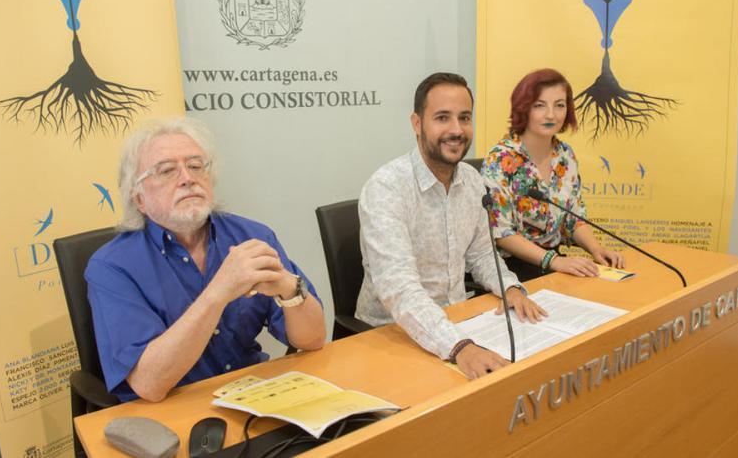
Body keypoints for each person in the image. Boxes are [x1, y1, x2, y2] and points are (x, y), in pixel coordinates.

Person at [85, 118, 325, 402]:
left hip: (255, 396)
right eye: (166, 171)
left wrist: (289, 289)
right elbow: (149, 384)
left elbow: (312, 339)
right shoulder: (112, 267)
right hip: (172, 411)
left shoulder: (251, 236)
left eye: (196, 166)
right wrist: (219, 290)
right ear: (139, 199)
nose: (188, 178)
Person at [355, 72, 548, 380]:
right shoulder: (386, 189)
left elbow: (483, 255)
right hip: (392, 336)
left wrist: (510, 288)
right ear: (417, 124)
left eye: (465, 117)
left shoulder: (472, 181)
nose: (456, 130)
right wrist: (459, 347)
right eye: (442, 118)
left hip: (460, 322)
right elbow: (399, 289)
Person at [481, 68, 624, 281]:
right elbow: (501, 234)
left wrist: (596, 249)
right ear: (523, 108)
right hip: (512, 270)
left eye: (559, 105)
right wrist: (554, 261)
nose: (551, 114)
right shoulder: (500, 159)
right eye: (540, 105)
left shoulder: (565, 156)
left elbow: (572, 219)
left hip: (553, 264)